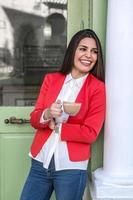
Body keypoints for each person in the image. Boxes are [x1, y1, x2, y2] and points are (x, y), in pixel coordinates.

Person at [20, 29, 106, 200]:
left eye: (94, 51)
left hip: (72, 168)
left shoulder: (97, 88)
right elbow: (35, 118)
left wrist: (59, 127)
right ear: (72, 51)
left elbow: (90, 133)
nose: (88, 55)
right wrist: (46, 113)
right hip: (40, 162)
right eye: (83, 49)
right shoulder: (51, 79)